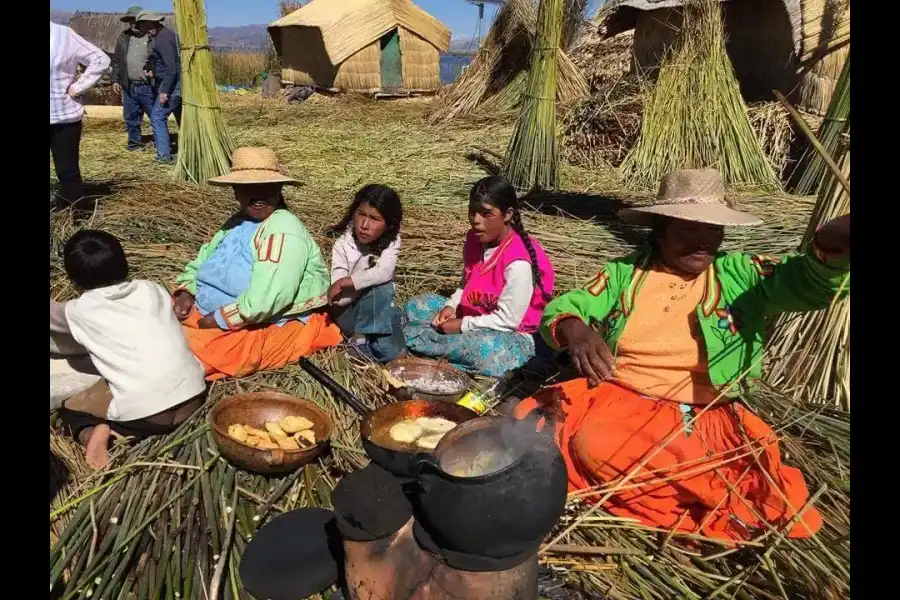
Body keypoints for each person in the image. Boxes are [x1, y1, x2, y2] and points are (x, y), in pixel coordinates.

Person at [514, 168, 851, 542]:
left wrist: (830, 244)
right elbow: (569, 304)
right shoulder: (625, 273)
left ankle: (683, 500)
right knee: (550, 433)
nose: (702, 243)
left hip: (701, 413)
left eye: (712, 231)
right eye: (689, 230)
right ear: (660, 230)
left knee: (706, 473)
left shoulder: (742, 275)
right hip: (619, 398)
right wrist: (572, 327)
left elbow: (806, 282)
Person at [174, 147, 342, 380]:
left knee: (186, 359)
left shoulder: (283, 228)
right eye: (247, 188)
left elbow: (268, 298)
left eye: (266, 188)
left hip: (255, 321)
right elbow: (204, 259)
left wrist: (218, 320)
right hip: (206, 311)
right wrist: (187, 292)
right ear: (235, 192)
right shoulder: (236, 223)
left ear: (279, 189)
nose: (258, 196)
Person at [50, 230, 207, 470]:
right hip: (194, 398)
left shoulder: (80, 309)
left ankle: (92, 435)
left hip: (149, 416)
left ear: (74, 280)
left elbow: (54, 317)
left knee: (69, 413)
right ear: (124, 264)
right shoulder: (152, 289)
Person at [404, 176, 555, 376]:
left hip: (512, 336)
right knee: (417, 305)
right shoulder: (475, 240)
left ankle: (416, 339)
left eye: (486, 213)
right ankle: (430, 342)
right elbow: (466, 283)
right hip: (476, 313)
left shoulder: (518, 261)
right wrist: (451, 305)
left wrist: (462, 325)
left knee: (481, 347)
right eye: (472, 211)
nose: (476, 220)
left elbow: (508, 320)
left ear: (507, 214)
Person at [329, 184, 406, 363]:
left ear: (389, 225)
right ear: (353, 213)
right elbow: (340, 298)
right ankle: (359, 340)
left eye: (374, 219)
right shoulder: (343, 245)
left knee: (393, 352)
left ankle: (376, 344)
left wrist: (347, 282)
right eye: (361, 214)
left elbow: (384, 272)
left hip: (376, 311)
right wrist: (346, 286)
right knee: (382, 289)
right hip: (348, 313)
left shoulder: (392, 240)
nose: (364, 225)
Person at [50, 21, 110, 206]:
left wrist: (78, 87)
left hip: (63, 116)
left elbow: (101, 59)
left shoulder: (63, 35)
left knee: (67, 171)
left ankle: (79, 214)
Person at [136, 12, 181, 163]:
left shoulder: (163, 39)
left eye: (143, 25)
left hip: (173, 86)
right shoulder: (163, 36)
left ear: (151, 23)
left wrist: (164, 91)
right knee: (182, 119)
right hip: (173, 84)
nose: (142, 29)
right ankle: (188, 150)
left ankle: (164, 157)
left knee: (157, 117)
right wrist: (152, 69)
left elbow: (171, 68)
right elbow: (162, 63)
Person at [109, 6, 155, 151]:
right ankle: (134, 145)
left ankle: (162, 145)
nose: (134, 24)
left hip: (148, 86)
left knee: (156, 118)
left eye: (136, 20)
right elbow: (117, 61)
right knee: (131, 117)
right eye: (131, 21)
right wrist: (115, 79)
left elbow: (160, 60)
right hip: (129, 86)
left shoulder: (152, 37)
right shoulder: (124, 38)